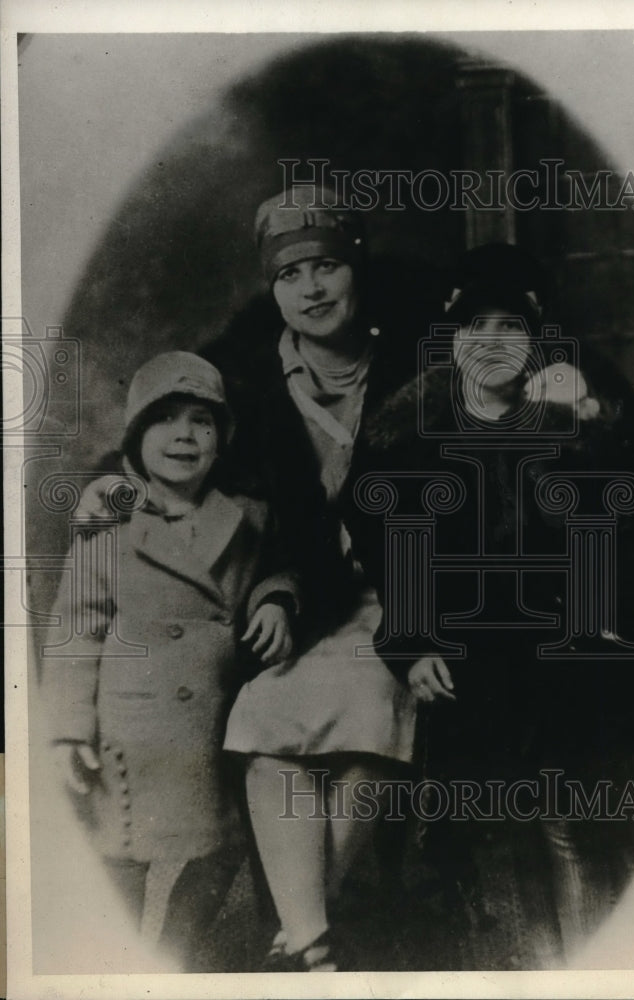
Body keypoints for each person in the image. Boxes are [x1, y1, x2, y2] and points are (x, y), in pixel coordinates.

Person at [346, 242, 634, 967]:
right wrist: (412, 641)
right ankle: (525, 965)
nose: (491, 341)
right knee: (489, 830)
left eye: (510, 327)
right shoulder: (412, 432)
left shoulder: (570, 420)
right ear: (452, 342)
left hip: (562, 657)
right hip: (466, 658)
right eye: (474, 326)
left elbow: (620, 525)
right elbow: (396, 544)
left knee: (569, 823)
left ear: (537, 342)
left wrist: (579, 428)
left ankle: (592, 963)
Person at [215, 187, 426, 972]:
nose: (309, 290)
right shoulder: (249, 382)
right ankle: (313, 946)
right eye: (289, 274)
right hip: (304, 599)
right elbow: (197, 478)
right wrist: (276, 587)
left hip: (398, 598)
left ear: (356, 270)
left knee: (372, 718)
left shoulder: (417, 365)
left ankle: (299, 939)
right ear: (272, 288)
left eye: (327, 266)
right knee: (266, 723)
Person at [43, 352, 299, 969]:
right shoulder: (109, 513)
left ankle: (173, 956)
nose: (184, 435)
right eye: (165, 420)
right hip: (129, 728)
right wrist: (67, 728)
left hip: (209, 726)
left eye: (201, 422)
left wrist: (276, 600)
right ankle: (115, 962)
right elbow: (78, 623)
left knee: (218, 849)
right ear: (137, 436)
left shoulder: (245, 517)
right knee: (122, 854)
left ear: (222, 439)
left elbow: (279, 569)